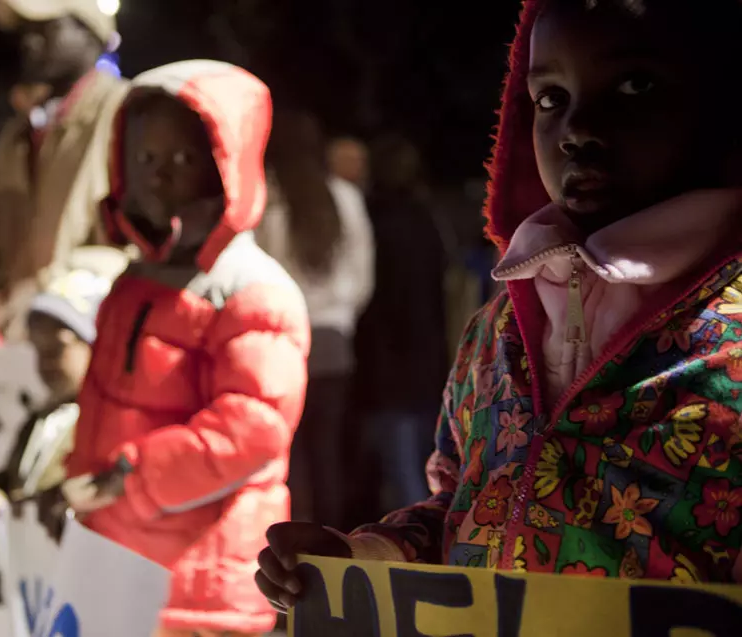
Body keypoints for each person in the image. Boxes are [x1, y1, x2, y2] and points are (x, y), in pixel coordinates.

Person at [256, 0, 742, 608]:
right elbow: (464, 505)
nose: (577, 127)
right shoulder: (501, 325)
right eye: (550, 98)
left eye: (634, 84)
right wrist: (364, 558)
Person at [44, 60, 309, 637]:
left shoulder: (251, 291)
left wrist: (129, 478)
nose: (160, 177)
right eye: (145, 159)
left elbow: (251, 430)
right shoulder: (134, 278)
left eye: (184, 160)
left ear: (226, 166)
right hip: (121, 564)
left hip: (199, 583)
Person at [0, 0, 129, 341]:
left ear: (89, 33)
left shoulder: (125, 116)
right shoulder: (10, 143)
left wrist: (49, 291)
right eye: (26, 31)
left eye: (47, 27)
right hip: (16, 352)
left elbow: (137, 251)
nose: (30, 41)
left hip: (95, 340)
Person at [257, 112, 375, 530]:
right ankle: (332, 541)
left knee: (290, 449)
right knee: (327, 450)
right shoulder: (345, 197)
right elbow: (362, 278)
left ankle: (293, 539)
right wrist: (340, 317)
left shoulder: (271, 200)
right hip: (333, 338)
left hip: (285, 340)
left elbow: (261, 276)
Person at [0, 249, 128, 534]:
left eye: (59, 348)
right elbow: (16, 481)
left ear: (99, 345)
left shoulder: (105, 427)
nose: (46, 360)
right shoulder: (42, 418)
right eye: (39, 349)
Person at [355, 134, 447, 516]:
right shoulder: (429, 218)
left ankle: (414, 552)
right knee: (431, 468)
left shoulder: (373, 220)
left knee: (402, 470)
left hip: (388, 363)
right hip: (428, 356)